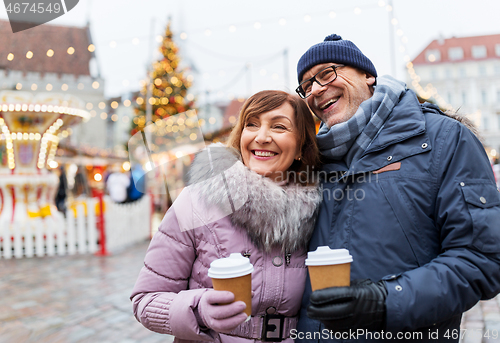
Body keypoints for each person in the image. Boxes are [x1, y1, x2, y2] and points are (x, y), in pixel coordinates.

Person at [294, 34, 500, 342]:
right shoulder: (311, 161)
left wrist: (385, 301)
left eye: (327, 73)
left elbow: (481, 258)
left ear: (368, 75)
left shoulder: (444, 140)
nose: (316, 90)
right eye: (307, 85)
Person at [130, 90, 322, 342]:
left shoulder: (320, 209)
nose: (261, 137)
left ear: (300, 146)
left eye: (279, 127)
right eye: (251, 124)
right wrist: (198, 309)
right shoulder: (197, 201)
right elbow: (146, 300)